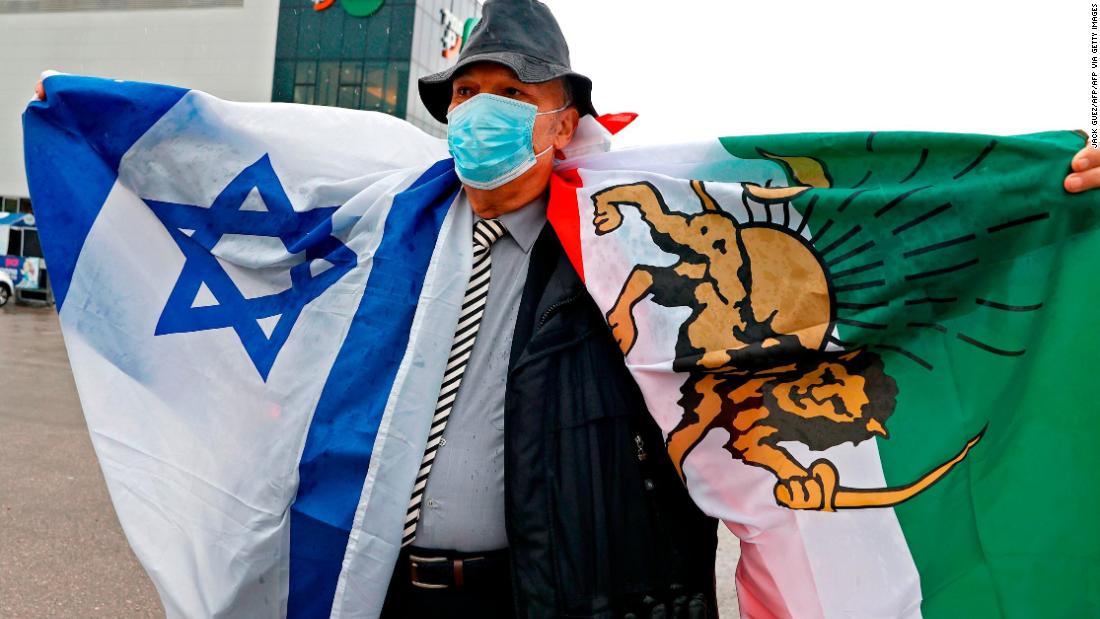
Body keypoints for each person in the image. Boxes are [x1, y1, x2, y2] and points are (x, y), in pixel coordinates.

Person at [31, 2, 1100, 618]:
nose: (474, 116)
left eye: (505, 93)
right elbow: (237, 196)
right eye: (459, 96)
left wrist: (1036, 200)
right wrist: (88, 124)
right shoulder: (383, 228)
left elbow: (859, 242)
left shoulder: (642, 251)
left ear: (563, 119)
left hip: (548, 602)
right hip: (391, 594)